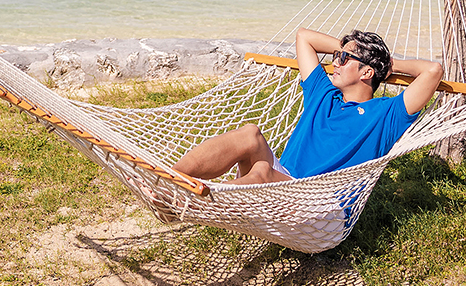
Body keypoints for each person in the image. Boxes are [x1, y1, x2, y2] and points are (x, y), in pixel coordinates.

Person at [174, 27, 444, 183]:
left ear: (367, 73)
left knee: (262, 171)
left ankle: (204, 203)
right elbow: (304, 37)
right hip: (284, 182)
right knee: (250, 134)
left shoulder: (386, 115)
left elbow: (432, 71)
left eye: (343, 59)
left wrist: (383, 63)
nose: (334, 63)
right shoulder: (323, 93)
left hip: (322, 208)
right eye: (337, 56)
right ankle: (171, 180)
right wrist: (349, 49)